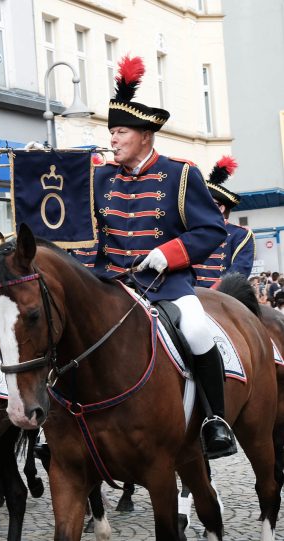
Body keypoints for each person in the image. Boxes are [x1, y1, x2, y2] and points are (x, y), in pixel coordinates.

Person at [91, 55, 234, 458]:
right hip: (112, 284)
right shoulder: (99, 177)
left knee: (197, 330)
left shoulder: (179, 174)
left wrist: (168, 254)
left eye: (120, 131)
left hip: (165, 285)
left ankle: (214, 420)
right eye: (112, 132)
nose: (113, 139)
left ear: (144, 136)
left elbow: (211, 231)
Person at [193, 156, 254, 288]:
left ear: (221, 208)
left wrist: (214, 291)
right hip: (189, 293)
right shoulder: (189, 229)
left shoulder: (240, 234)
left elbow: (240, 270)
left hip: (222, 295)